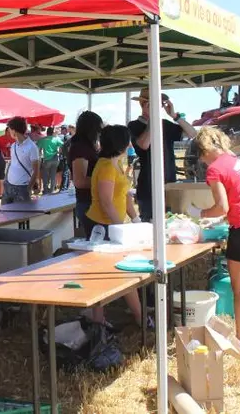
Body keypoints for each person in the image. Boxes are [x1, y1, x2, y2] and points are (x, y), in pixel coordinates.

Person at [189, 127, 240, 356]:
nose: (202, 161)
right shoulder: (239, 162)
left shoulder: (215, 169)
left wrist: (199, 213)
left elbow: (221, 206)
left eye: (201, 155)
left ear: (205, 150)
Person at [84, 125, 144, 327]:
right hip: (102, 226)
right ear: (120, 143)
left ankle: (136, 316)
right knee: (107, 274)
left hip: (114, 225)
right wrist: (122, 227)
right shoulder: (106, 166)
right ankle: (104, 320)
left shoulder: (117, 163)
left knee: (120, 272)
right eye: (128, 140)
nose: (130, 144)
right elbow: (106, 201)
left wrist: (135, 220)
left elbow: (125, 195)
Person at [128, 88, 197, 221]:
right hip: (148, 188)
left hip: (169, 184)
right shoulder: (134, 125)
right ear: (143, 105)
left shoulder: (165, 124)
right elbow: (144, 144)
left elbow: (192, 133)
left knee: (171, 223)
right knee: (150, 226)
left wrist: (175, 116)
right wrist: (152, 120)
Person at [67, 111, 103, 235]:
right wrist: (105, 182)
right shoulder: (80, 148)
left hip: (91, 203)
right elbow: (80, 181)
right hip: (87, 203)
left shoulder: (86, 147)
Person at [2, 117, 39, 205]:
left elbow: (36, 170)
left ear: (14, 131)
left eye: (10, 129)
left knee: (21, 217)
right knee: (4, 215)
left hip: (22, 188)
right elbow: (13, 164)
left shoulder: (32, 147)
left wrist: (29, 188)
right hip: (8, 186)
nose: (9, 132)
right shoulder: (13, 146)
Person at [37, 127, 64, 195]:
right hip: (55, 159)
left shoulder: (42, 140)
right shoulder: (56, 139)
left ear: (47, 132)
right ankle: (51, 190)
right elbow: (63, 145)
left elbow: (38, 148)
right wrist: (59, 151)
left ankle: (46, 190)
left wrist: (39, 156)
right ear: (52, 132)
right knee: (53, 175)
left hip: (46, 160)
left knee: (45, 176)